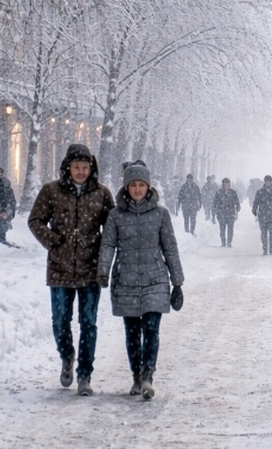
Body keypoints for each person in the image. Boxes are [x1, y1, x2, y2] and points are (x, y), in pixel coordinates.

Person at [27, 144, 114, 396]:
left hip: (90, 270)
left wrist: (103, 254)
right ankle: (67, 355)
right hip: (59, 269)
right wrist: (52, 240)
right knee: (60, 321)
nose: (80, 171)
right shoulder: (51, 191)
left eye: (85, 167)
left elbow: (111, 228)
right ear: (68, 167)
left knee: (88, 323)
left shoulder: (101, 193)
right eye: (76, 167)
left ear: (91, 168)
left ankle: (85, 374)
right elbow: (35, 220)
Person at [98, 160, 183, 400]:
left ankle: (148, 375)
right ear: (126, 187)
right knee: (132, 332)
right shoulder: (115, 216)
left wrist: (178, 282)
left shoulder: (161, 214)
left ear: (148, 187)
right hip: (126, 280)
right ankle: (136, 374)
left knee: (152, 329)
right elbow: (108, 244)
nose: (137, 189)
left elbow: (170, 249)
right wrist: (103, 270)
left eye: (141, 185)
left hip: (155, 279)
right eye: (133, 185)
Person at [252, 175, 272, 255]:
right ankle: (265, 249)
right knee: (263, 233)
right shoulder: (260, 192)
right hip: (262, 215)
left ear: (271, 182)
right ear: (264, 182)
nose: (267, 183)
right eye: (266, 181)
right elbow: (256, 202)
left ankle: (271, 249)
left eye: (269, 181)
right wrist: (254, 209)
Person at [213, 178, 241, 248]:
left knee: (230, 229)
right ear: (222, 184)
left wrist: (237, 209)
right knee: (222, 229)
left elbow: (237, 202)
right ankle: (223, 242)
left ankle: (229, 242)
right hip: (221, 214)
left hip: (230, 214)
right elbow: (215, 203)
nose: (225, 185)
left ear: (229, 184)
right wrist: (216, 210)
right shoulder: (218, 193)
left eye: (227, 183)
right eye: (224, 183)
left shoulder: (233, 192)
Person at [0, 166, 17, 246]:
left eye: (0, 172)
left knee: (3, 224)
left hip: (5, 207)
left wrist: (12, 207)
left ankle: (2, 239)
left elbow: (11, 197)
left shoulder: (6, 183)